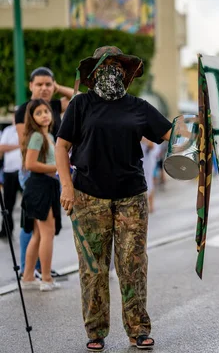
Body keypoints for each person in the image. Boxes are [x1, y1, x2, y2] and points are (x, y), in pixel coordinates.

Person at [56, 46, 172, 352]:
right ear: (94, 73)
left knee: (132, 265)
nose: (112, 71)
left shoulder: (138, 106)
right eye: (105, 66)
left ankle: (138, 330)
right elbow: (61, 146)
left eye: (117, 66)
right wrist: (66, 186)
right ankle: (95, 331)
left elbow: (173, 134)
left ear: (125, 72)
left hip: (131, 197)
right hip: (87, 196)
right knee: (93, 269)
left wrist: (199, 131)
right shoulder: (81, 104)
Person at [15, 67, 74, 278]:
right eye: (39, 84)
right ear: (30, 86)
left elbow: (77, 98)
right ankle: (30, 269)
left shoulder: (54, 107)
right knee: (33, 224)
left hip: (50, 174)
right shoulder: (25, 111)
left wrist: (58, 88)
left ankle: (36, 270)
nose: (44, 88)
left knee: (40, 228)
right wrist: (58, 167)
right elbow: (29, 149)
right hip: (36, 175)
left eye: (48, 84)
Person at [19, 99, 62, 291]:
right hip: (40, 186)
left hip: (46, 186)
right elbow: (30, 164)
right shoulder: (37, 136)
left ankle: (28, 276)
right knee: (47, 234)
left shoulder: (48, 136)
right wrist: (58, 167)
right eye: (39, 112)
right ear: (32, 118)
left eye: (46, 111)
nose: (44, 114)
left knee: (38, 234)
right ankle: (46, 279)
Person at [0, 114, 23, 239]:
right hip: (10, 171)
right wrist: (19, 146)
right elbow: (2, 147)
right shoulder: (8, 130)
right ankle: (6, 230)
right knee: (8, 203)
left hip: (23, 172)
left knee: (28, 202)